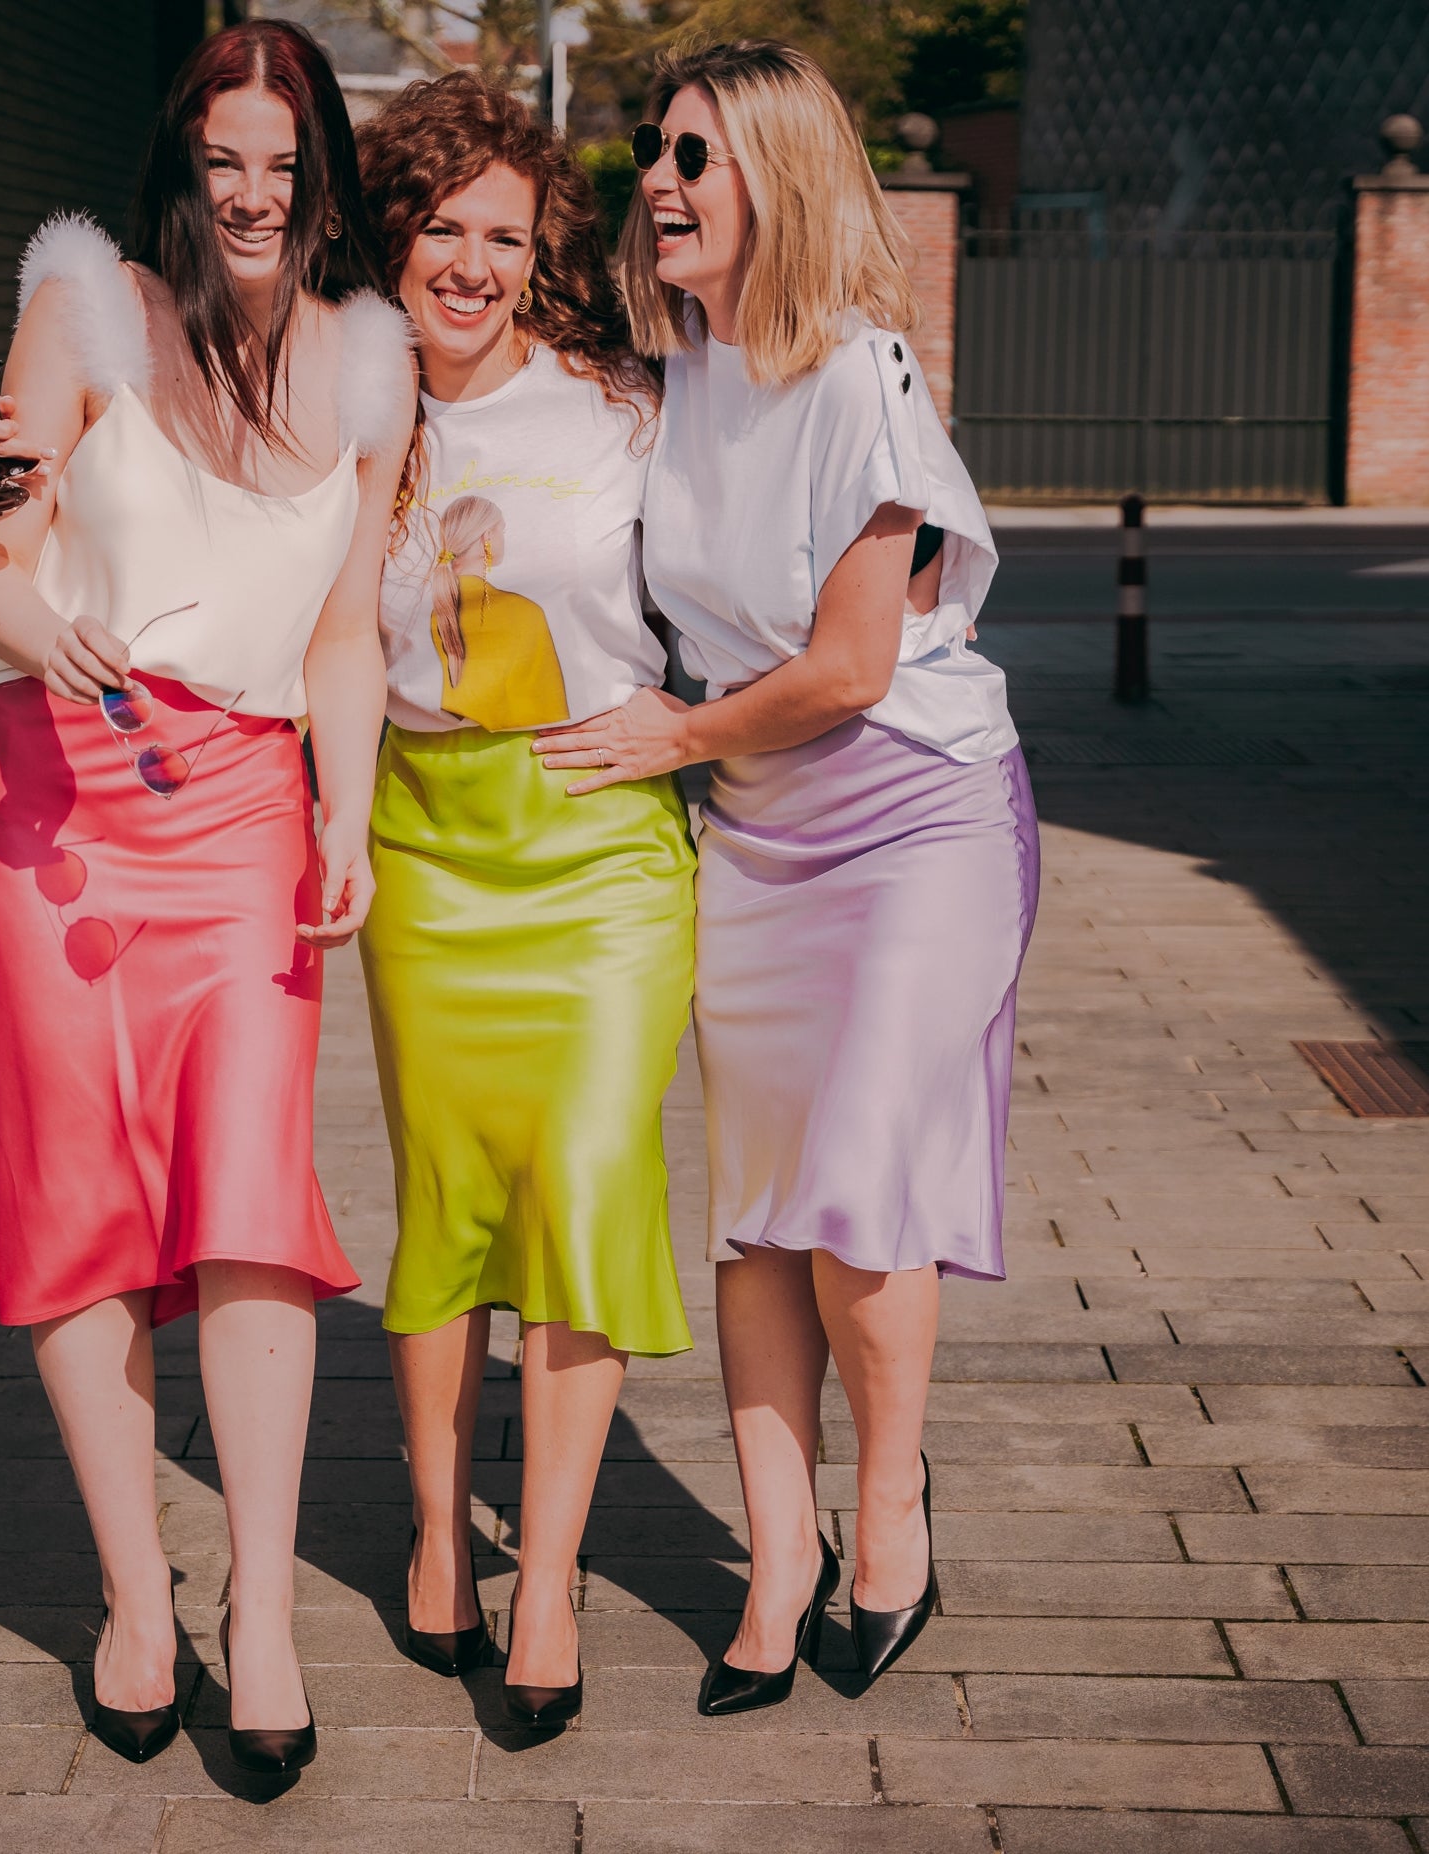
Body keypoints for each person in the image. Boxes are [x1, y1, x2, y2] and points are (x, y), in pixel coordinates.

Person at [0, 21, 411, 1772]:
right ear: (184, 166)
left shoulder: (367, 357)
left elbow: (345, 629)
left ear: (322, 174)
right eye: (226, 159)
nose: (256, 193)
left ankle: (257, 1608)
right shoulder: (86, 309)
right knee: (77, 1207)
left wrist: (346, 815)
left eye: (287, 161)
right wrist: (27, 613)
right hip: (64, 804)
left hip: (250, 821)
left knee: (255, 1208)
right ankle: (137, 1594)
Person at [539, 40, 1038, 1710]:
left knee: (859, 1188)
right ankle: (777, 1558)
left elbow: (846, 664)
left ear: (781, 178)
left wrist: (662, 738)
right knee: (758, 1219)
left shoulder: (860, 375)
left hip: (912, 817)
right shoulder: (665, 374)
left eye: (698, 154)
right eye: (655, 154)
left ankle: (888, 1515)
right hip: (753, 833)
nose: (660, 182)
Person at [355, 73, 696, 1729]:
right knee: (447, 1197)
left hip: (599, 845)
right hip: (425, 845)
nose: (472, 263)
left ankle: (548, 1574)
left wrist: (695, 732)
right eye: (441, 227)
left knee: (576, 1179)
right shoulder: (343, 408)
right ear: (395, 239)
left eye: (505, 231)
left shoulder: (631, 409)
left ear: (541, 249)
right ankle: (437, 1537)